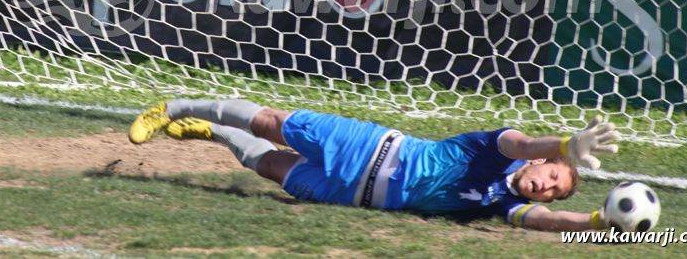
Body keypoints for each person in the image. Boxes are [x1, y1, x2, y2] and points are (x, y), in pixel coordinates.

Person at [128, 99, 619, 232]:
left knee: (272, 167)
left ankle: (213, 132)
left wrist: (603, 224)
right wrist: (568, 143)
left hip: (355, 196)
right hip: (368, 147)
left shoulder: (499, 204)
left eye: (553, 189)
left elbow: (556, 222)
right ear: (546, 162)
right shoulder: (497, 149)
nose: (546, 188)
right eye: (554, 175)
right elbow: (525, 142)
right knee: (272, 123)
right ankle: (174, 107)